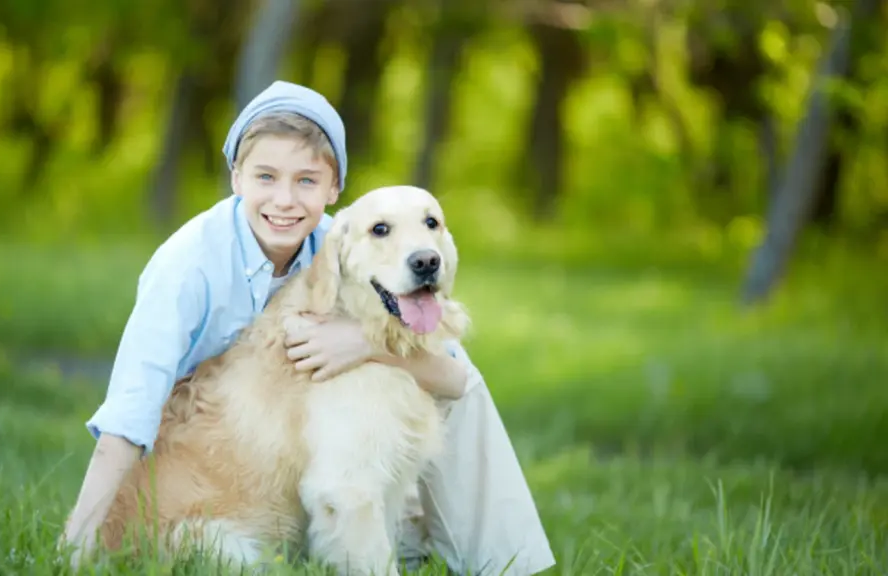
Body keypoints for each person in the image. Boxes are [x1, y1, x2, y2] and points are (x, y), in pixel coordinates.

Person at [60, 80, 555, 575]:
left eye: (306, 181)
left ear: (333, 187)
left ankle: (507, 565)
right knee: (341, 489)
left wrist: (365, 343)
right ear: (236, 177)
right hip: (201, 482)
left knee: (448, 387)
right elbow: (130, 411)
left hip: (292, 450)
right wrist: (74, 547)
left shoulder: (336, 241)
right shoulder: (187, 266)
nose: (285, 200)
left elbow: (456, 379)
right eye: (266, 177)